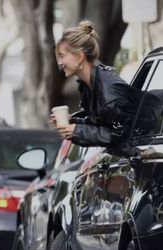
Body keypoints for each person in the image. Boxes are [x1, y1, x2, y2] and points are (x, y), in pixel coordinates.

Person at [50, 20, 161, 152]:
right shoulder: (89, 86)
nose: (60, 63)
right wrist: (72, 124)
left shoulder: (109, 90)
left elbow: (122, 136)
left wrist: (78, 131)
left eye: (62, 56)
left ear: (80, 57)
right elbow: (102, 124)